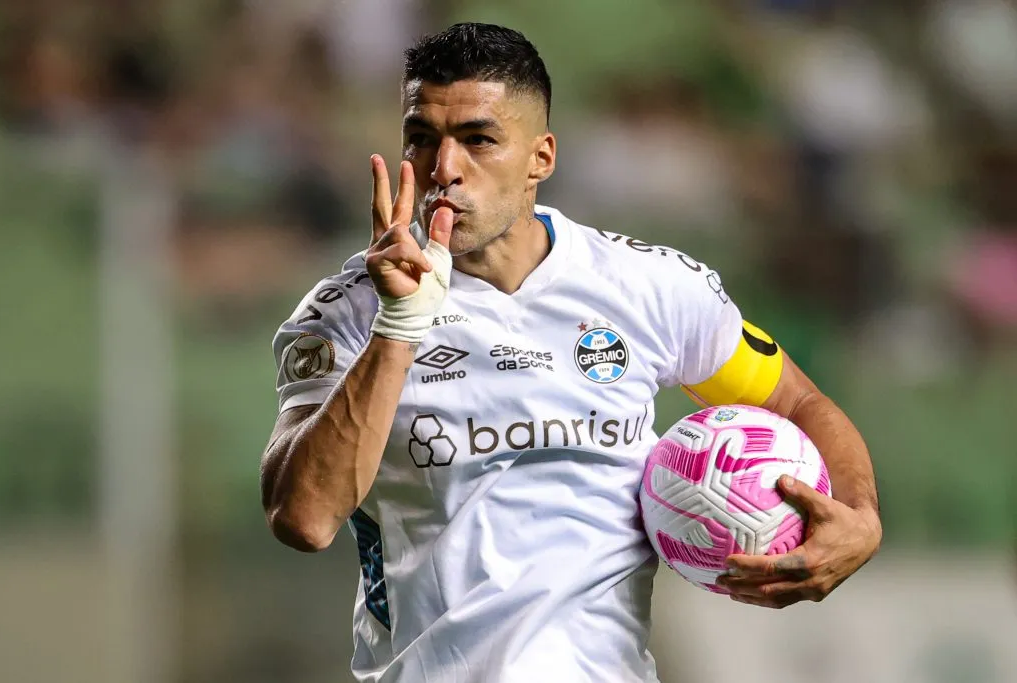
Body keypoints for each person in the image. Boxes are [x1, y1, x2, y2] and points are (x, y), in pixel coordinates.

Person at [261, 22, 882, 683]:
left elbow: (798, 401)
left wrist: (862, 517)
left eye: (478, 140)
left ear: (541, 157)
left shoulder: (648, 287)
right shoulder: (348, 311)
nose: (444, 168)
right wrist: (401, 323)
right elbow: (304, 517)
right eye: (422, 138)